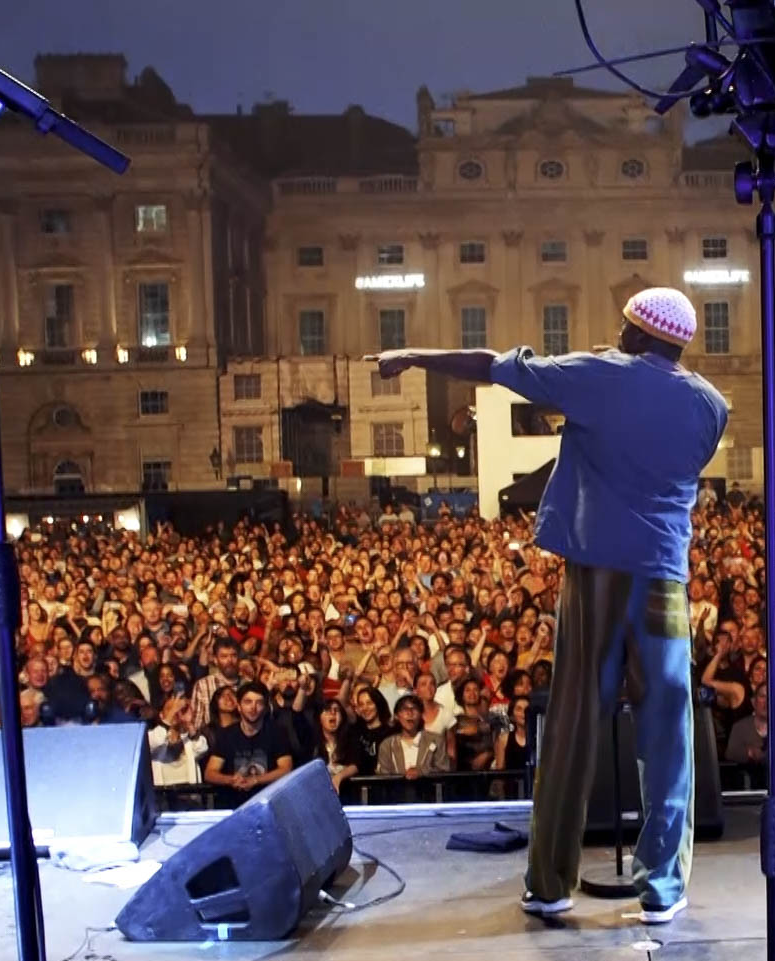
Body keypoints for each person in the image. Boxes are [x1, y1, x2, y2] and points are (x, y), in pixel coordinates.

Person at [367, 285, 727, 924]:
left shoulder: (597, 375)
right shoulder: (710, 404)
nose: (616, 335)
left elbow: (490, 363)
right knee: (669, 732)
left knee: (571, 724)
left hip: (596, 576)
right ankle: (663, 888)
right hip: (666, 581)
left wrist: (415, 355)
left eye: (624, 328)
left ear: (640, 334)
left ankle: (551, 882)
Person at [203, 681, 295, 811]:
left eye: (259, 702)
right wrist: (231, 780)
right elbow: (210, 773)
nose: (253, 707)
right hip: (234, 808)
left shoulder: (277, 733)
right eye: (248, 702)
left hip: (268, 807)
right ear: (239, 706)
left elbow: (286, 769)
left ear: (265, 707)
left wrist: (256, 780)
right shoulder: (226, 735)